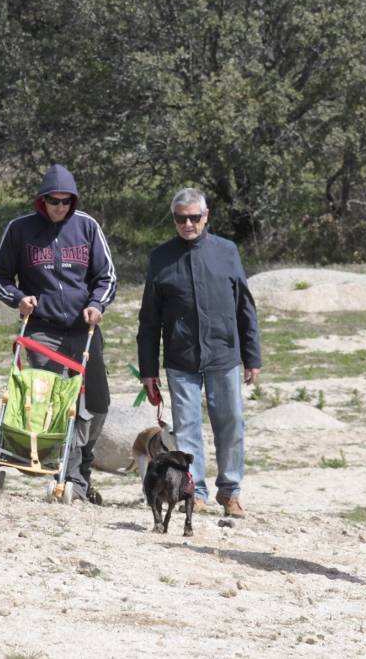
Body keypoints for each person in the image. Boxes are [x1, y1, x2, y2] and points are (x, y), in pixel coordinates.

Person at [0, 164, 117, 504]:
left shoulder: (87, 226)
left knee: (97, 403)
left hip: (84, 329)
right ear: (41, 201)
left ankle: (81, 469)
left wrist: (97, 305)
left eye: (65, 202)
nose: (59, 207)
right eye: (53, 201)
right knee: (57, 402)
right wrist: (19, 299)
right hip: (42, 331)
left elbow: (107, 277)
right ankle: (67, 476)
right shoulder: (20, 230)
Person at [136, 187, 261, 518]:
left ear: (206, 217)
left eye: (194, 217)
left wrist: (253, 356)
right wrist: (148, 370)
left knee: (231, 423)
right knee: (187, 429)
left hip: (224, 354)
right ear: (174, 219)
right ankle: (196, 492)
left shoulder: (227, 251)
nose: (188, 224)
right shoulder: (161, 258)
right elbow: (148, 319)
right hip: (181, 359)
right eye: (181, 218)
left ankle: (231, 492)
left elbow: (244, 307)